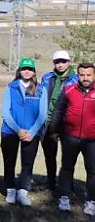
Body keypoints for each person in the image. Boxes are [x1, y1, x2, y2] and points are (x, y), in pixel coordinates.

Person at [0, 58, 48, 207]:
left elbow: (43, 114)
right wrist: (18, 130)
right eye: (24, 68)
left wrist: (32, 132)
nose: (27, 71)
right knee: (9, 161)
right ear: (19, 70)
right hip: (10, 131)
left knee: (27, 164)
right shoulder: (10, 87)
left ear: (34, 71)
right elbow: (5, 112)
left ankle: (23, 191)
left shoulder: (41, 89)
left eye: (30, 69)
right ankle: (10, 189)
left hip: (31, 133)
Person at [49, 61, 95, 215]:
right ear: (78, 75)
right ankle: (64, 197)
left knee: (92, 170)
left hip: (92, 139)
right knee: (67, 167)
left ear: (93, 75)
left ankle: (91, 201)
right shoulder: (68, 90)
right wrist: (54, 130)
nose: (85, 78)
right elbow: (58, 111)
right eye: (82, 75)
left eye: (88, 75)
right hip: (70, 137)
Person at [40, 50, 78, 193]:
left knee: (68, 157)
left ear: (69, 62)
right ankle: (51, 183)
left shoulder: (76, 79)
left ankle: (67, 185)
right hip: (48, 122)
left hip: (68, 124)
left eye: (63, 61)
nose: (60, 64)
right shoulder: (47, 78)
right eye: (57, 62)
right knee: (50, 155)